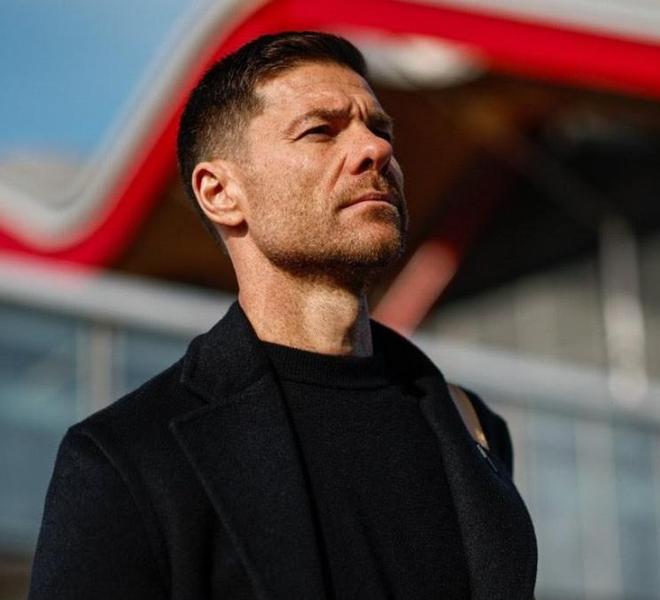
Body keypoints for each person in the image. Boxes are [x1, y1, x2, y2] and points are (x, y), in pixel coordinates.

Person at [29, 31, 537, 599]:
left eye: (380, 129)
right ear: (220, 192)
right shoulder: (128, 458)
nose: (374, 149)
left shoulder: (469, 427)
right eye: (320, 130)